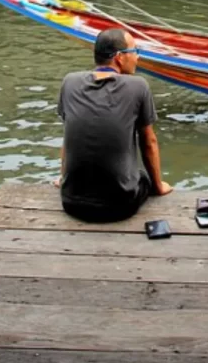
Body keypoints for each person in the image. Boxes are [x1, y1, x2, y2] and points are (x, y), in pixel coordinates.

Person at [56, 28, 173, 223]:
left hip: (71, 203)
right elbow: (149, 143)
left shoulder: (69, 82)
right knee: (142, 176)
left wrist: (63, 178)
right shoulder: (138, 86)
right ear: (119, 58)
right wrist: (159, 186)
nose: (137, 57)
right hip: (119, 207)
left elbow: (68, 138)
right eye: (135, 51)